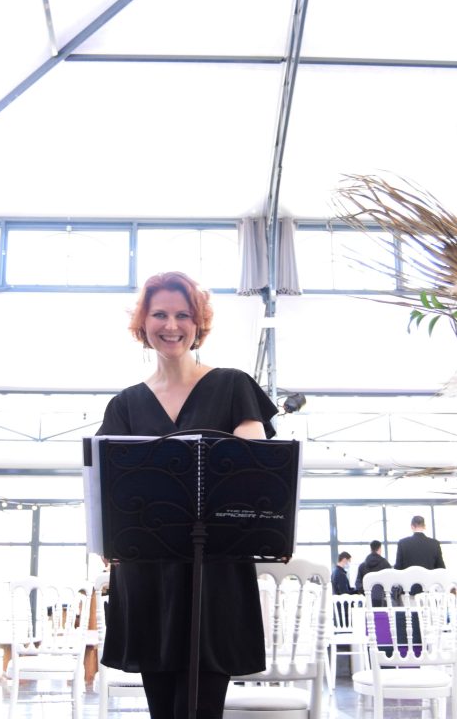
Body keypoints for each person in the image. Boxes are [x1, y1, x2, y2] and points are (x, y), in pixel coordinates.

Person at [96, 271, 278, 719]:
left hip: (213, 571)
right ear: (143, 323)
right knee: (162, 709)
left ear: (199, 324)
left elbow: (253, 467)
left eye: (183, 315)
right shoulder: (124, 405)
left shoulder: (233, 385)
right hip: (147, 572)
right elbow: (106, 486)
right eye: (159, 314)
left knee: (201, 708)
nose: (171, 325)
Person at [355, 540, 391, 606]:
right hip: (382, 600)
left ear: (371, 549)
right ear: (379, 549)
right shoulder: (385, 564)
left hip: (367, 600)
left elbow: (358, 584)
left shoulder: (362, 566)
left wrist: (366, 592)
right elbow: (391, 581)